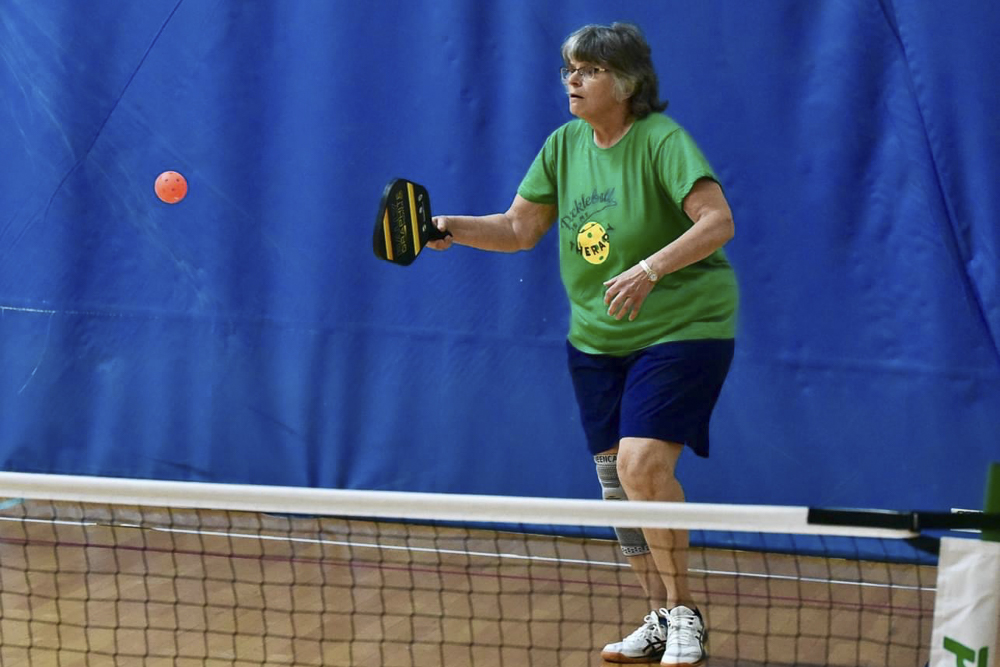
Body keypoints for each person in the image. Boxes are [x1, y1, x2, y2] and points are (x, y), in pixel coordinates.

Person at [428, 22, 737, 667]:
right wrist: (451, 226)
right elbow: (518, 229)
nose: (573, 79)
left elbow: (717, 222)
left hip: (683, 326)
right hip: (598, 338)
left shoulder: (662, 141)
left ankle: (684, 613)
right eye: (570, 68)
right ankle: (657, 617)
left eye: (590, 69)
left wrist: (650, 269)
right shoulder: (564, 145)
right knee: (615, 485)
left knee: (641, 466)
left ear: (624, 83)